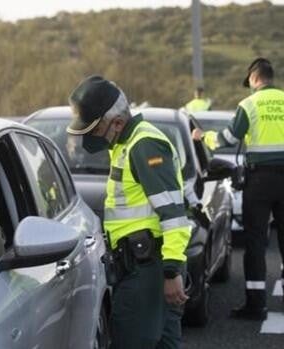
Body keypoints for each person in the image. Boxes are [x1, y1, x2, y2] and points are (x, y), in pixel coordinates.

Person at [66, 75, 191, 348]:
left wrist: (171, 272)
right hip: (142, 264)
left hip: (147, 268)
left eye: (94, 130)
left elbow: (174, 215)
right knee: (164, 343)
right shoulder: (126, 143)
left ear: (117, 123)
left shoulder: (144, 145)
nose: (90, 137)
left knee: (131, 340)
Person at [193, 58, 284, 320]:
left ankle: (256, 306)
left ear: (253, 79)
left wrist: (203, 136)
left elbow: (227, 139)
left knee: (256, 243)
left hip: (259, 182)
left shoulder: (249, 104)